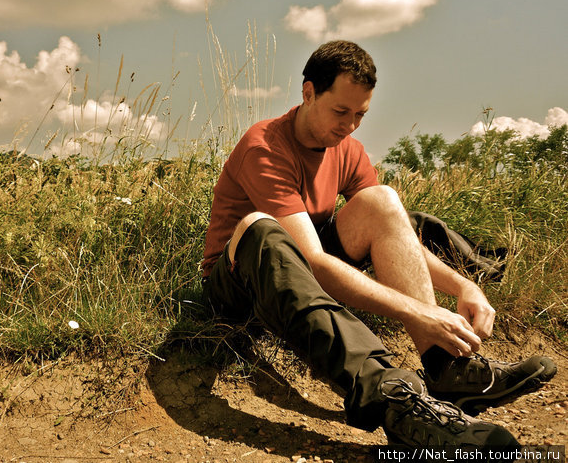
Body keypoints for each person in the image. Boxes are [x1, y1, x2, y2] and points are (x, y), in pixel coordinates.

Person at [201, 40, 556, 448]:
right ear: (308, 92)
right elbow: (312, 263)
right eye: (340, 112)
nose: (350, 125)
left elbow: (394, 233)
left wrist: (463, 286)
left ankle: (445, 368)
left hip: (297, 276)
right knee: (261, 227)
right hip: (239, 287)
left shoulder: (345, 149)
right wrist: (421, 311)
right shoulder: (264, 146)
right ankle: (393, 399)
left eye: (360, 115)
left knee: (382, 200)